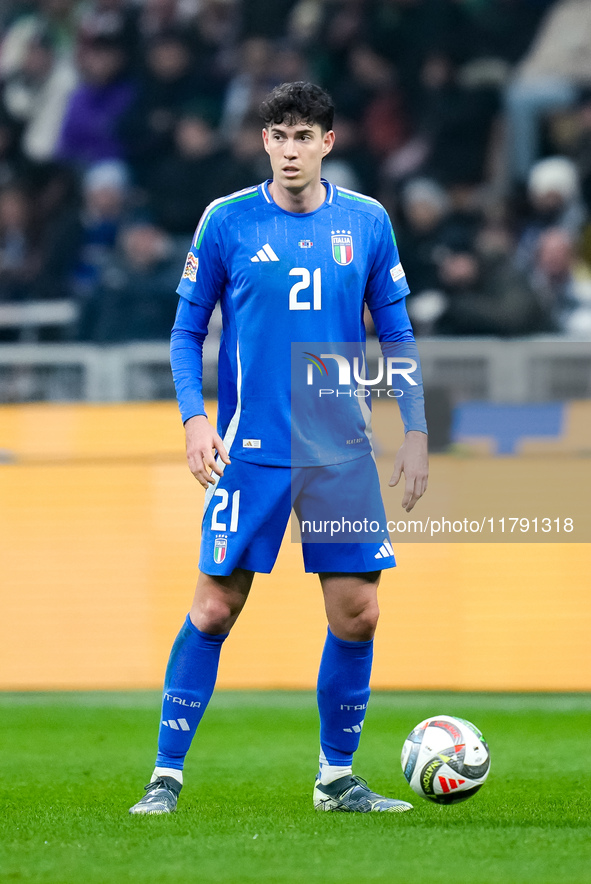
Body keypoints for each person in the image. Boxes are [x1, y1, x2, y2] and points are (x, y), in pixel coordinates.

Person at [128, 81, 428, 816]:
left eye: (304, 136)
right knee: (213, 608)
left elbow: (395, 334)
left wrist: (415, 429)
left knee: (357, 613)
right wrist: (194, 420)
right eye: (277, 136)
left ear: (328, 143)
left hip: (340, 447)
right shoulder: (225, 221)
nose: (289, 150)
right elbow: (185, 330)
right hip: (251, 447)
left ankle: (336, 779)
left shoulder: (367, 221)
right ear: (263, 141)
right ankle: (165, 776)